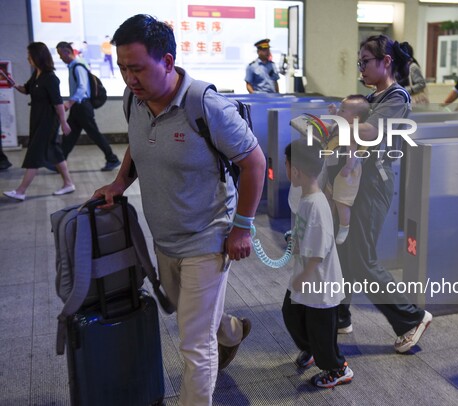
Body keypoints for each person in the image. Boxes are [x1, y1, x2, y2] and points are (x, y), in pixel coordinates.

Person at [92, 15, 266, 406]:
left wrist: (242, 227)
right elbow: (139, 143)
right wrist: (120, 182)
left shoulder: (205, 106)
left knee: (194, 343)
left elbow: (254, 163)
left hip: (208, 236)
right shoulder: (133, 101)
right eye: (122, 68)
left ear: (167, 61)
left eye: (137, 68)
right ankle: (232, 330)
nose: (128, 78)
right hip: (164, 236)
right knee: (191, 314)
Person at [328, 35, 432, 353]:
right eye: (359, 63)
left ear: (385, 61)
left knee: (363, 259)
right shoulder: (373, 97)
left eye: (365, 62)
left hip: (374, 183)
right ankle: (341, 315)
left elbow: (371, 132)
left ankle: (411, 318)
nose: (360, 68)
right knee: (343, 249)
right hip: (359, 179)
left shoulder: (396, 97)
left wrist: (338, 122)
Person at [282, 138, 354, 388]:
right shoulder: (307, 198)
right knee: (291, 313)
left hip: (320, 283)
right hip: (307, 278)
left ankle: (338, 368)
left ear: (296, 170)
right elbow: (307, 235)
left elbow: (320, 249)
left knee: (322, 332)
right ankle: (310, 348)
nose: (285, 167)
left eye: (286, 163)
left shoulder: (317, 204)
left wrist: (304, 275)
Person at [3, 42, 75, 201]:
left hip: (47, 122)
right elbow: (26, 90)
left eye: (30, 55)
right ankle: (68, 183)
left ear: (38, 56)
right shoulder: (37, 74)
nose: (28, 58)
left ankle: (21, 191)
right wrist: (13, 83)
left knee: (34, 153)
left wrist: (64, 123)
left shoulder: (50, 78)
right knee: (55, 153)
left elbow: (58, 103)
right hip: (37, 119)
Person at [55, 42, 121, 171]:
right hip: (78, 106)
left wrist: (69, 102)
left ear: (67, 52)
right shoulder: (73, 66)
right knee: (69, 134)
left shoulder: (78, 66)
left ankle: (112, 159)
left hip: (82, 106)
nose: (60, 57)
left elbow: (82, 88)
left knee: (94, 134)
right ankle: (60, 162)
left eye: (60, 54)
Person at [331, 95, 371, 244]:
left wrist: (348, 167)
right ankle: (330, 223)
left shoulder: (352, 131)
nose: (339, 113)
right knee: (330, 194)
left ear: (355, 118)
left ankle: (344, 226)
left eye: (342, 111)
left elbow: (351, 152)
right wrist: (335, 112)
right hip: (338, 164)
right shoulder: (345, 125)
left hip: (350, 167)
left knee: (342, 199)